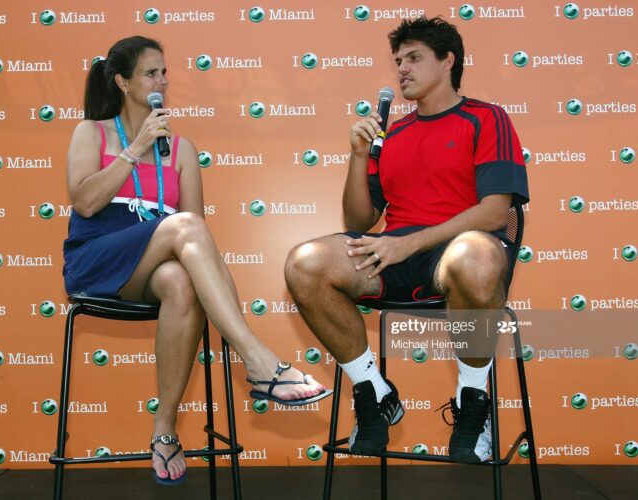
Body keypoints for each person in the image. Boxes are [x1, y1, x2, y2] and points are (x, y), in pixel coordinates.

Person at [62, 36, 330, 486]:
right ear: (124, 82)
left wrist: (158, 148)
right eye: (152, 74)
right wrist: (135, 149)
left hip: (149, 267)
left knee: (182, 282)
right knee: (183, 226)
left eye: (165, 73)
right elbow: (85, 203)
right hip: (96, 259)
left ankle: (163, 430)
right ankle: (259, 361)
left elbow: (194, 235)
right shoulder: (92, 132)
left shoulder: (181, 148)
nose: (162, 82)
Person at [284, 17, 528, 463]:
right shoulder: (391, 133)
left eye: (414, 58)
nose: (402, 70)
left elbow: (496, 211)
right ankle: (373, 391)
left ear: (447, 61)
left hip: (461, 252)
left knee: (473, 257)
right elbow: (360, 218)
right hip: (396, 254)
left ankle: (474, 400)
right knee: (306, 262)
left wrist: (409, 244)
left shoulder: (486, 117)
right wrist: (359, 158)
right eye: (398, 61)